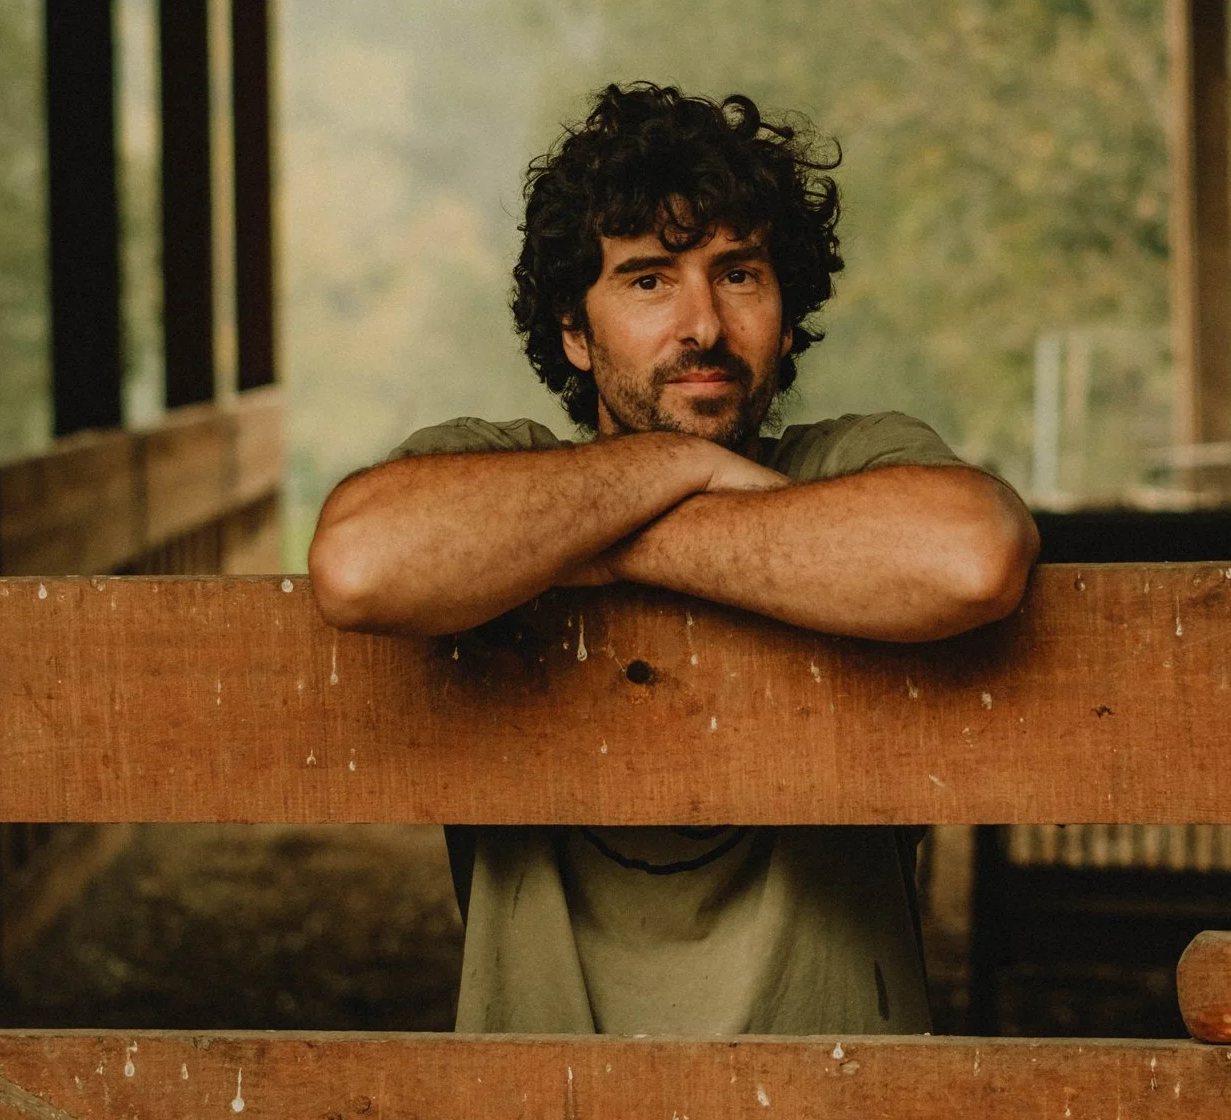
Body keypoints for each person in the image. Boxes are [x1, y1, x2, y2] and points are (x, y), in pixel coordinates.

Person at [309, 82, 1039, 1036]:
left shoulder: (849, 460)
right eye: (649, 279)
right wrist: (681, 463)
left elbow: (973, 556)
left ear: (785, 309)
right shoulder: (497, 466)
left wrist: (608, 542)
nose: (703, 324)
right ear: (574, 330)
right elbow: (362, 562)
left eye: (739, 274)